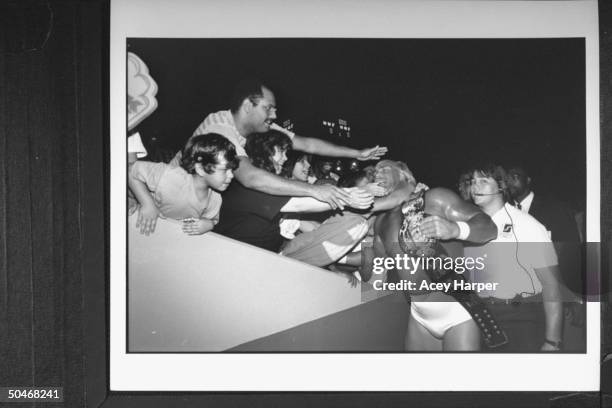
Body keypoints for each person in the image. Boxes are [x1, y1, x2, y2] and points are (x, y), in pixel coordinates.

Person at [177, 79, 387, 210]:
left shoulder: (260, 128)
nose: (275, 115)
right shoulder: (219, 128)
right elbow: (250, 177)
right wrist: (314, 191)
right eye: (269, 108)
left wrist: (357, 153)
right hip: (174, 201)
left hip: (202, 208)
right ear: (248, 105)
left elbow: (306, 144)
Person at [364, 160, 498, 351]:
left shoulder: (434, 199)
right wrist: (360, 229)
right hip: (419, 315)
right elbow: (373, 272)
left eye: (384, 169)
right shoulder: (380, 222)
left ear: (404, 175)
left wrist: (455, 229)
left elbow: (489, 228)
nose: (377, 174)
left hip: (456, 308)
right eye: (374, 172)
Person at [214, 131, 374, 267]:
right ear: (265, 151)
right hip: (239, 262)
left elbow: (306, 222)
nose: (284, 159)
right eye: (281, 152)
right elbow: (300, 204)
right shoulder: (253, 186)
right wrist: (348, 196)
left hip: (264, 259)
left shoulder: (271, 185)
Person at [466, 163, 564, 351]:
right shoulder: (467, 226)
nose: (475, 187)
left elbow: (552, 285)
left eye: (483, 181)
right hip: (480, 317)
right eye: (472, 182)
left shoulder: (528, 225)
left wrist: (553, 341)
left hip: (520, 318)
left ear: (501, 186)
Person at [129, 133, 238, 236]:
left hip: (166, 234)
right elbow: (130, 170)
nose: (231, 175)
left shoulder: (215, 199)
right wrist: (148, 204)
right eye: (225, 170)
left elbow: (211, 220)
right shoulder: (169, 176)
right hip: (140, 224)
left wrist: (208, 224)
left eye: (232, 169)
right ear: (200, 169)